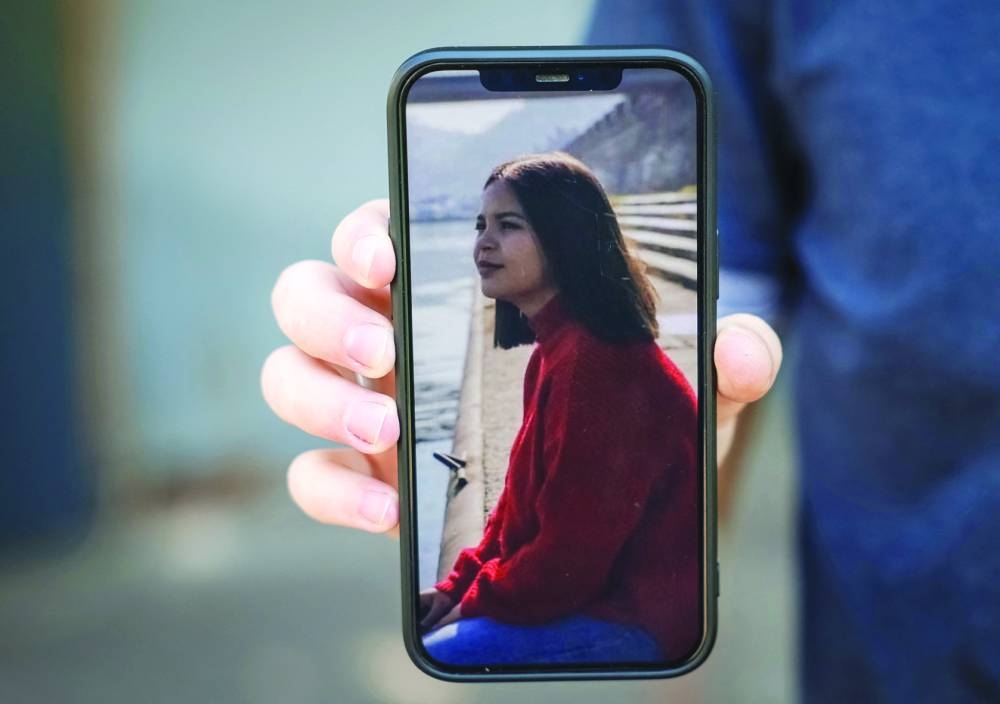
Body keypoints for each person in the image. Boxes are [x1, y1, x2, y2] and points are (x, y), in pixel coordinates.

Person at [413, 153, 699, 665]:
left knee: (433, 660)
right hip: (594, 600)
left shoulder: (601, 367)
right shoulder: (559, 350)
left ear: (563, 235)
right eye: (481, 225)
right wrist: (456, 589)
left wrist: (473, 607)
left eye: (509, 225)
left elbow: (569, 561)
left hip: (635, 619)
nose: (483, 242)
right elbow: (517, 510)